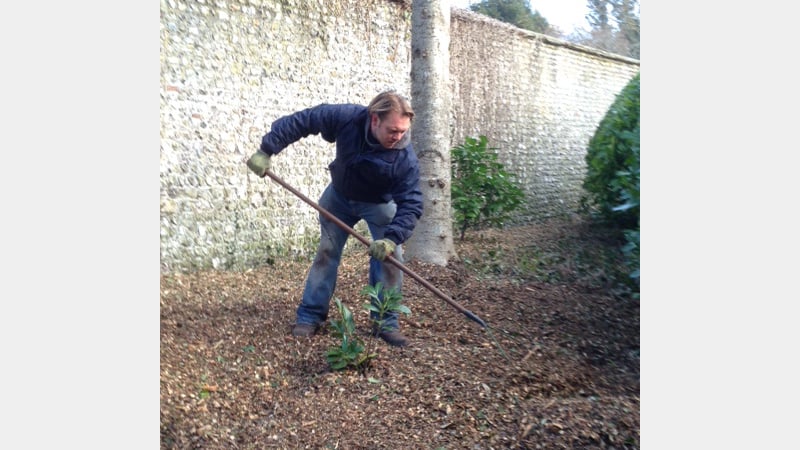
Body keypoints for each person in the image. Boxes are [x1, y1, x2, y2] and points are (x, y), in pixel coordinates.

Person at [246, 91, 423, 347]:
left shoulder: (404, 158)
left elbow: (412, 203)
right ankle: (310, 315)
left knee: (390, 256)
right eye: (393, 130)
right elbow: (304, 120)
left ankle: (385, 322)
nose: (399, 137)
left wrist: (391, 238)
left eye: (403, 131)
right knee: (326, 253)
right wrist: (266, 150)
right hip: (338, 198)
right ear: (374, 120)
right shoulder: (347, 118)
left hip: (379, 204)